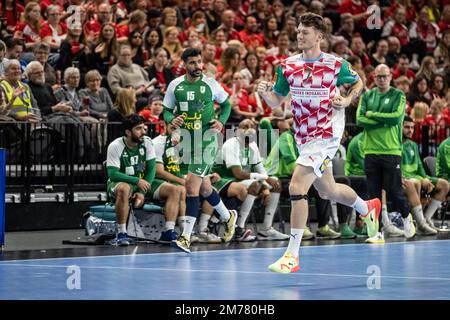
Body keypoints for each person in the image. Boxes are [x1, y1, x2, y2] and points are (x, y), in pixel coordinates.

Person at [257, 13, 380, 274]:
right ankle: (367, 207)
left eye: (305, 32)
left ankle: (292, 254)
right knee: (328, 190)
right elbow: (276, 102)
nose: (300, 35)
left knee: (297, 185)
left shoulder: (336, 64)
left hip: (326, 134)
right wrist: (265, 94)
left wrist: (347, 101)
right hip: (304, 136)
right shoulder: (287, 65)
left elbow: (358, 82)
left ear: (320, 36)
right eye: (299, 31)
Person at [163, 47, 237, 253]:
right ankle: (228, 216)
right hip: (187, 141)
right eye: (193, 63)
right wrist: (171, 119)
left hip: (207, 141)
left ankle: (186, 236)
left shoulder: (211, 83)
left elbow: (227, 104)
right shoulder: (175, 85)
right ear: (185, 64)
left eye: (199, 62)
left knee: (191, 188)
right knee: (205, 189)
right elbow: (167, 111)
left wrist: (221, 122)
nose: (198, 66)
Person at [357, 64, 416, 243]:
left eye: (385, 76)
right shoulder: (367, 95)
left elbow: (397, 118)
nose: (382, 79)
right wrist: (383, 120)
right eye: (379, 76)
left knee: (394, 191)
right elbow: (360, 120)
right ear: (374, 78)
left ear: (391, 77)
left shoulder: (398, 95)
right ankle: (377, 233)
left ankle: (407, 217)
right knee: (373, 195)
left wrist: (372, 114)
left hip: (391, 150)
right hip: (371, 150)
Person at [106, 114, 181, 246]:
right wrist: (136, 181)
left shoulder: (146, 142)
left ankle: (168, 231)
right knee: (124, 188)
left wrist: (141, 192)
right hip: (121, 183)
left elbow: (151, 170)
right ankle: (121, 233)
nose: (143, 131)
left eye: (143, 128)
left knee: (174, 190)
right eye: (138, 129)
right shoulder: (115, 146)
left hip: (142, 182)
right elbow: (113, 174)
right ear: (128, 132)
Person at [212, 119, 290, 241]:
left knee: (276, 183)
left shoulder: (253, 145)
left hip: (242, 181)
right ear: (237, 131)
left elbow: (261, 170)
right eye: (245, 126)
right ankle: (240, 229)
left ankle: (266, 229)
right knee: (255, 185)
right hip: (225, 180)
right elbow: (238, 173)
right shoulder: (231, 144)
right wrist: (264, 182)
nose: (249, 129)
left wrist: (266, 186)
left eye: (252, 126)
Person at [402, 116, 449, 233]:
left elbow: (419, 167)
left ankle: (427, 218)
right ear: (399, 127)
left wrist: (426, 178)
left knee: (444, 185)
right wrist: (420, 179)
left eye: (412, 128)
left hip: (417, 178)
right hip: (406, 179)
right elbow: (399, 171)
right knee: (415, 182)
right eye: (407, 127)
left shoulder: (413, 145)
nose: (410, 130)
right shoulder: (395, 145)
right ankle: (419, 223)